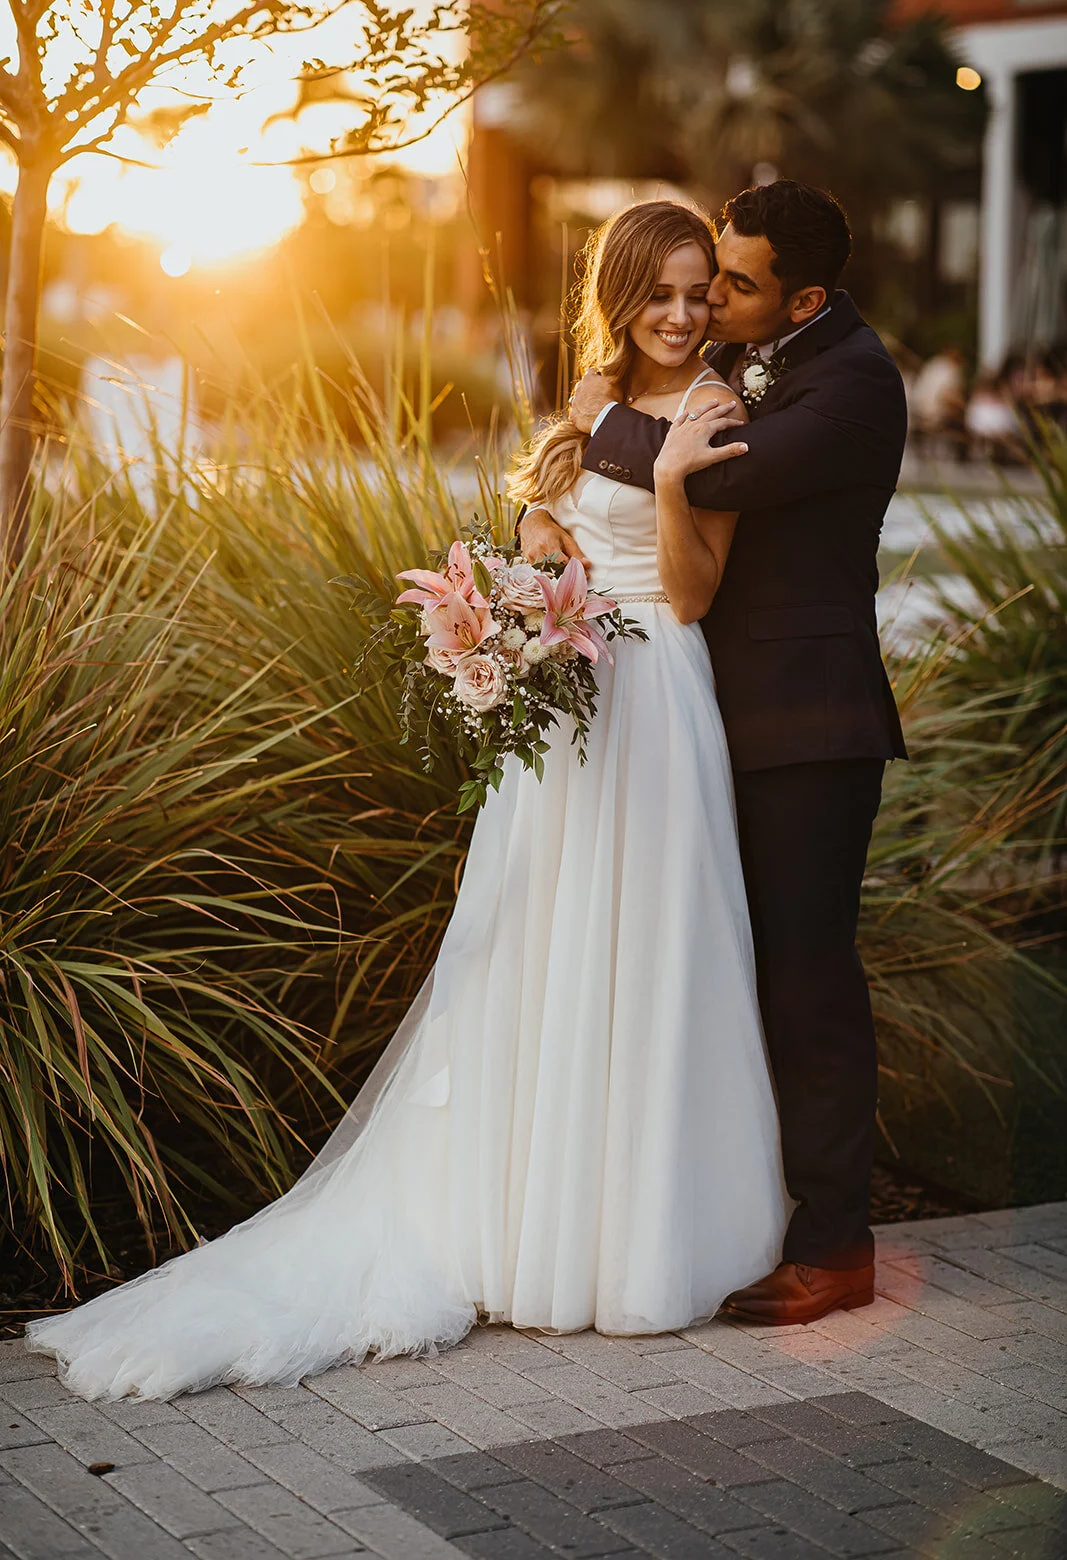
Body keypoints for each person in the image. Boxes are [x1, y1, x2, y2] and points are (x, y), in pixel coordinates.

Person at [25, 200, 790, 1402]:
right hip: (574, 692)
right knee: (539, 948)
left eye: (701, 292)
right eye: (663, 290)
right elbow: (553, 535)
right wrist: (536, 547)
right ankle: (526, 1221)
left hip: (661, 694)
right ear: (624, 291)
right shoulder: (586, 401)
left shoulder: (718, 415)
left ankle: (633, 1238)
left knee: (650, 953)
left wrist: (680, 491)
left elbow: (691, 598)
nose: (685, 314)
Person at [522, 179, 908, 1325]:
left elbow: (716, 474)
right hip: (705, 713)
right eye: (702, 280)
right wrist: (548, 497)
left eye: (731, 284)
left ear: (803, 295)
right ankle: (706, 1210)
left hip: (807, 722)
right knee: (711, 970)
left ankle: (835, 1245)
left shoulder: (850, 383)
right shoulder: (750, 364)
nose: (711, 301)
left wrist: (587, 408)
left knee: (806, 978)